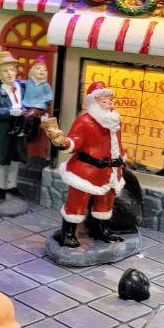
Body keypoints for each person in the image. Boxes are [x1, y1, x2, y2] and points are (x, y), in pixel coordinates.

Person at [50, 80, 127, 248]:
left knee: (105, 201)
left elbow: (117, 144)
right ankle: (67, 232)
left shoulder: (115, 121)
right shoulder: (84, 121)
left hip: (110, 170)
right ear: (93, 102)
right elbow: (74, 143)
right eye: (103, 99)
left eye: (109, 99)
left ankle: (100, 229)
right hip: (86, 171)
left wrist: (121, 159)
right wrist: (62, 142)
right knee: (77, 201)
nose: (108, 102)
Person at [0, 51, 27, 203]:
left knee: (15, 159)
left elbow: (30, 101)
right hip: (3, 132)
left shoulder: (22, 87)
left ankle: (11, 185)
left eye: (12, 70)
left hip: (19, 130)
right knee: (1, 161)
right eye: (5, 71)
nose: (10, 73)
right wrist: (10, 111)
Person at [22, 57, 54, 158]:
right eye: (38, 68)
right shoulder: (29, 82)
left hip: (38, 106)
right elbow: (22, 87)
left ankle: (27, 133)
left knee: (30, 115)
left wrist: (46, 99)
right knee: (21, 114)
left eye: (44, 70)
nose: (41, 71)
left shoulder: (45, 85)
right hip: (26, 103)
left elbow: (49, 94)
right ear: (33, 70)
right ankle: (21, 130)